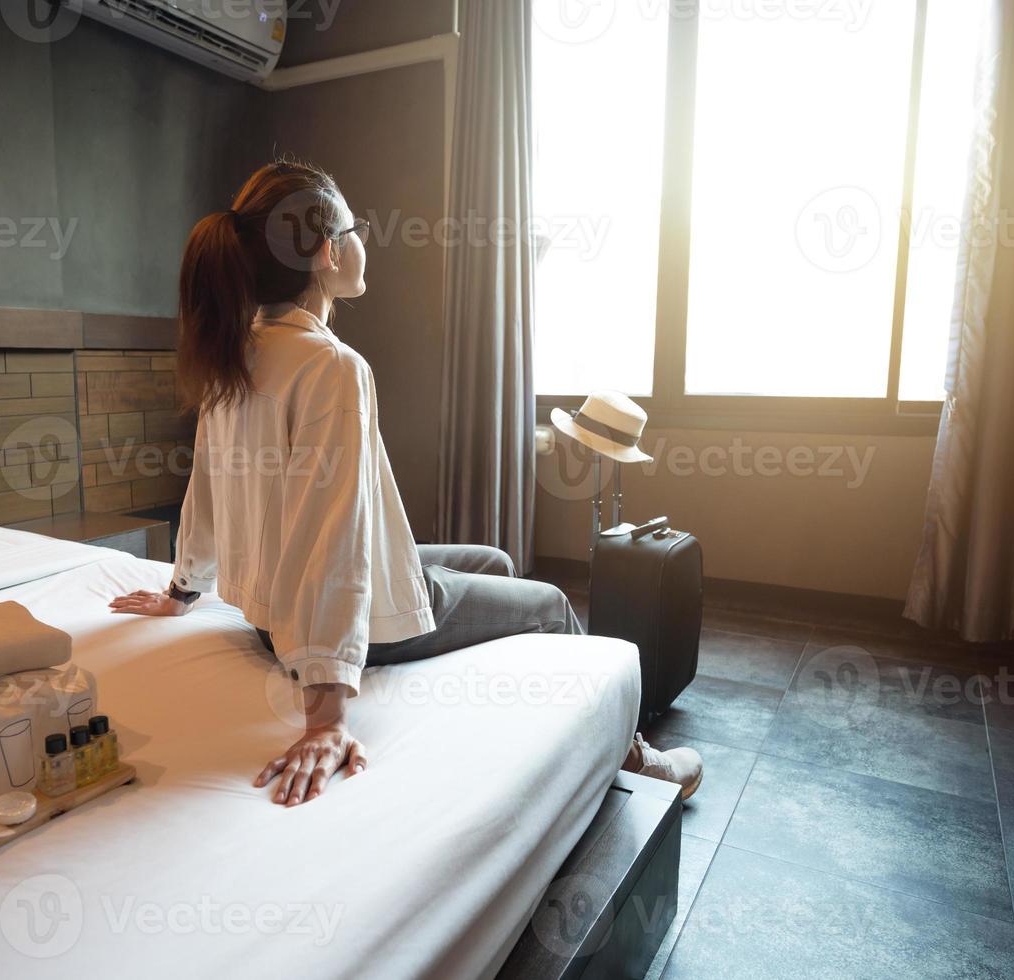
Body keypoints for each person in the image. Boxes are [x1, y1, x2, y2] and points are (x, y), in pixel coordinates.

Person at [110, 160, 703, 806]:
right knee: (550, 605)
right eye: (357, 225)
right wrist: (326, 715)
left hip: (267, 615)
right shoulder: (331, 368)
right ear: (328, 251)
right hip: (316, 627)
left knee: (494, 561)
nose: (366, 238)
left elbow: (204, 490)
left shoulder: (237, 353)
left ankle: (521, 709)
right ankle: (635, 756)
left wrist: (182, 588)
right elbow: (333, 537)